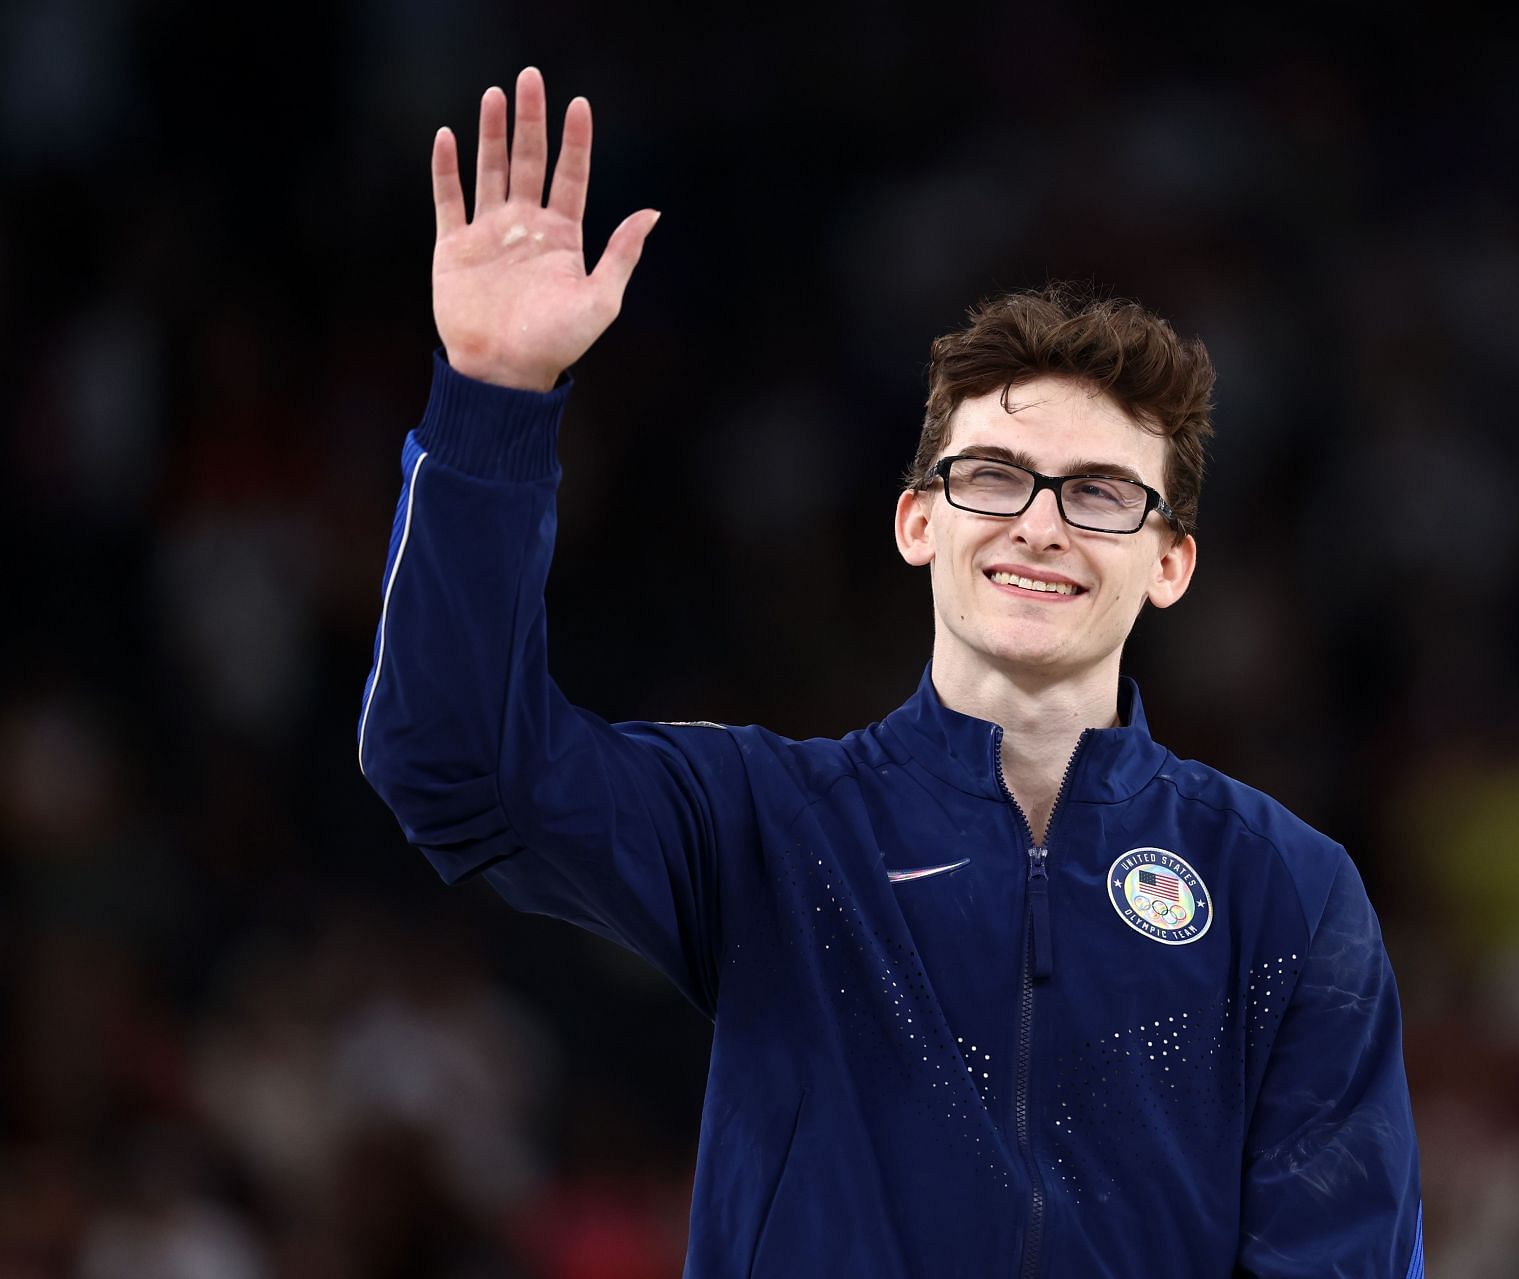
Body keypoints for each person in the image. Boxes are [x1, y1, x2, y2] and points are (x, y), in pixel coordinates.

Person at [359, 65, 1425, 1279]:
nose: (1039, 523)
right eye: (994, 476)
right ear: (919, 520)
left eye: (1099, 494)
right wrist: (493, 397)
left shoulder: (1283, 889)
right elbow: (452, 764)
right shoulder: (769, 828)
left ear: (1171, 560)